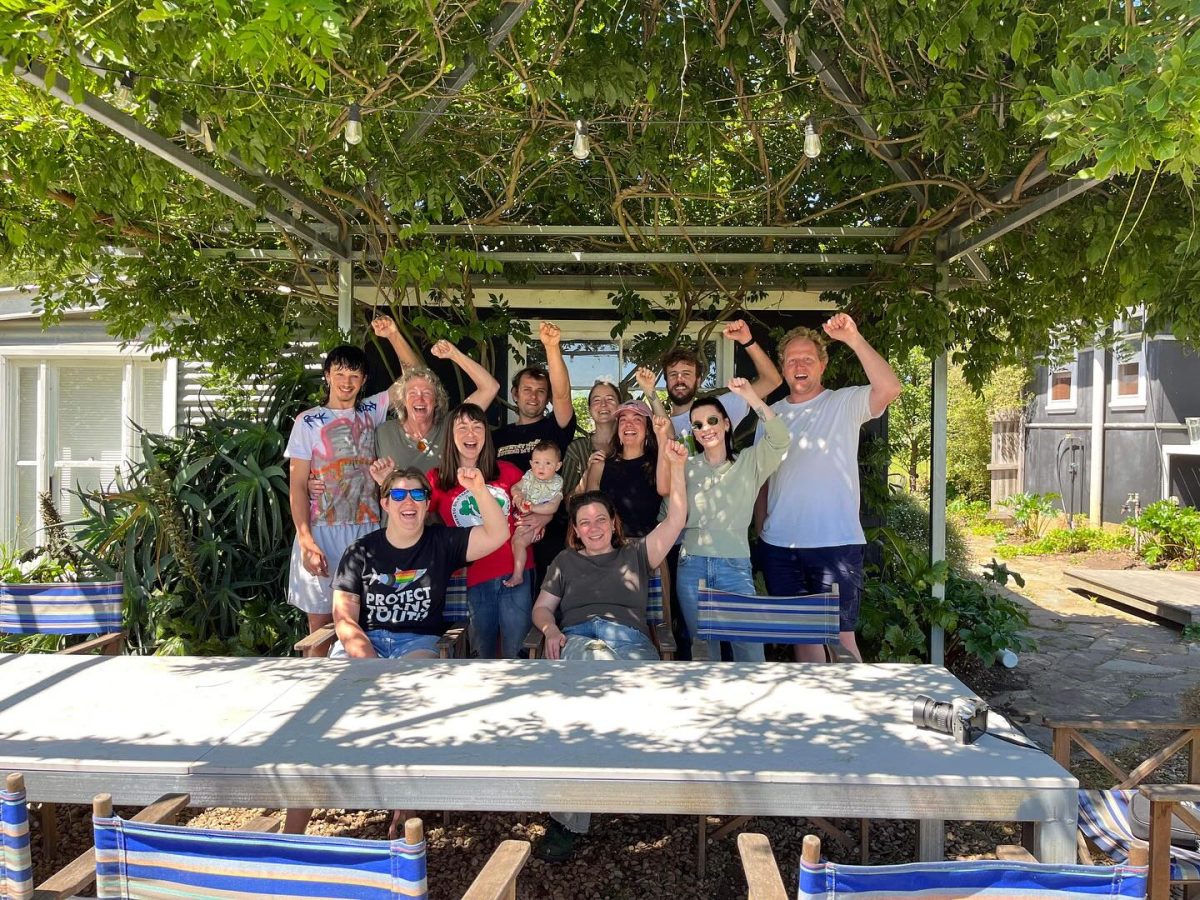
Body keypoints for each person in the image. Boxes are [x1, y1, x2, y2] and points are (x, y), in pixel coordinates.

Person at [529, 439, 689, 862]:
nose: (594, 526)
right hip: (579, 639)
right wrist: (549, 630)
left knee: (634, 702)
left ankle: (625, 796)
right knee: (581, 707)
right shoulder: (564, 561)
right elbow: (543, 608)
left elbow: (676, 518)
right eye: (585, 521)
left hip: (632, 643)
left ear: (613, 523)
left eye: (601, 518)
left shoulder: (637, 553)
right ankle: (569, 820)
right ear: (576, 529)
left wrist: (676, 467)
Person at [754, 313, 903, 663]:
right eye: (792, 360)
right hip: (780, 546)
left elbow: (890, 388)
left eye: (808, 358)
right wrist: (762, 527)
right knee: (802, 640)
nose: (799, 365)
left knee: (841, 641)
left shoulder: (843, 403)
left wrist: (853, 337)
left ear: (822, 364)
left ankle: (855, 712)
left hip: (835, 544)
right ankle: (819, 715)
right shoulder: (770, 415)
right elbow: (762, 478)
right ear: (783, 367)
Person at [284, 321, 410, 653]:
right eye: (339, 374)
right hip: (321, 530)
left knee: (366, 623)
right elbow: (297, 486)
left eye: (354, 376)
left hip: (366, 531)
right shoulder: (307, 421)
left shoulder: (372, 409)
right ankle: (317, 693)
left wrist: (393, 335)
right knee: (320, 628)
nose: (346, 382)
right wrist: (307, 541)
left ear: (364, 381)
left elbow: (413, 378)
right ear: (327, 376)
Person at [669, 377, 790, 662]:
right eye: (697, 425)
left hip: (734, 566)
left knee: (749, 650)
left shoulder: (749, 462)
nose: (705, 428)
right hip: (691, 565)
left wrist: (751, 397)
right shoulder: (685, 467)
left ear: (726, 423)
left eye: (712, 420)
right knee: (703, 650)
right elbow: (670, 512)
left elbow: (781, 439)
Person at [427, 403, 530, 658]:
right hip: (471, 578)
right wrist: (386, 483)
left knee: (516, 654)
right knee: (480, 656)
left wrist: (539, 521)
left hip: (516, 572)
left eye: (477, 427)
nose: (470, 434)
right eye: (462, 427)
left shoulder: (509, 471)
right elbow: (410, 514)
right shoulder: (436, 479)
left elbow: (533, 508)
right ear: (450, 435)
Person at [493, 321, 577, 583]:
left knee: (548, 604)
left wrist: (551, 348)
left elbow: (563, 397)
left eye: (541, 392)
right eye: (527, 390)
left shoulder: (555, 427)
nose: (533, 396)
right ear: (515, 395)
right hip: (506, 533)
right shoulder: (497, 436)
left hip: (549, 535)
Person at [372, 319, 501, 474]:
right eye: (412, 393)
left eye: (427, 393)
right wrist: (393, 335)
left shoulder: (451, 425)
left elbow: (490, 387)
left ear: (437, 400)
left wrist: (455, 354)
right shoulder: (383, 432)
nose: (420, 399)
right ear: (403, 400)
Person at [639, 319, 782, 442]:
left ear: (699, 380)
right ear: (666, 381)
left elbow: (772, 381)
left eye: (687, 373)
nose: (679, 379)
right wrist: (649, 390)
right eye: (673, 374)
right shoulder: (654, 425)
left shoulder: (721, 408)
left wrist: (747, 341)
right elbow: (667, 435)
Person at [583, 399, 662, 538]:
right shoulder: (600, 466)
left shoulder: (658, 465)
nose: (629, 424)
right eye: (623, 420)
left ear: (648, 430)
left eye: (637, 419)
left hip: (648, 551)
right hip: (610, 551)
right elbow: (592, 515)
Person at [506, 441, 564, 587]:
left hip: (537, 524)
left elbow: (552, 507)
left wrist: (534, 507)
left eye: (547, 463)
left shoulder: (556, 484)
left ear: (557, 466)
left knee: (517, 542)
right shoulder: (529, 476)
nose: (541, 467)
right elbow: (515, 487)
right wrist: (518, 496)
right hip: (523, 516)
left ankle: (518, 575)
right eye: (537, 462)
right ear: (531, 463)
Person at [561, 378, 623, 498]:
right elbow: (568, 504)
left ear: (620, 407)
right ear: (589, 409)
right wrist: (587, 474)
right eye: (596, 400)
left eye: (610, 399)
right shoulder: (577, 449)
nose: (603, 404)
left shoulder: (631, 444)